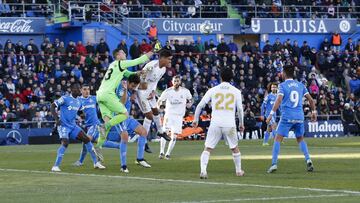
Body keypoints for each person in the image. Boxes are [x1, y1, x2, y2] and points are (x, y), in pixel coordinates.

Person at [193, 68, 245, 179]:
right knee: (234, 147)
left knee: (208, 148)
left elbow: (200, 105)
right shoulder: (236, 91)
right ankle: (238, 171)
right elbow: (240, 109)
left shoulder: (213, 90)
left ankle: (203, 171)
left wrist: (195, 119)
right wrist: (241, 123)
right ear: (231, 78)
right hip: (229, 123)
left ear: (220, 77)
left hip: (215, 123)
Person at [96, 48, 153, 148]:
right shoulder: (120, 63)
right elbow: (138, 61)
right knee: (125, 114)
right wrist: (153, 51)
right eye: (123, 52)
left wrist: (140, 72)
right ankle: (104, 126)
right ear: (118, 56)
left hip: (100, 94)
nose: (125, 54)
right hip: (107, 94)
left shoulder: (113, 65)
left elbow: (129, 74)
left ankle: (98, 148)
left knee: (107, 120)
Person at [266, 65, 316, 173]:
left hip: (287, 117)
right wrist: (313, 112)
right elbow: (311, 100)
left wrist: (271, 114)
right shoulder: (301, 85)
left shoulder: (282, 85)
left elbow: (278, 100)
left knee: (277, 139)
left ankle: (274, 164)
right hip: (299, 116)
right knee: (300, 139)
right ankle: (308, 159)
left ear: (284, 73)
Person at [50, 83, 105, 172]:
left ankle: (96, 163)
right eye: (75, 89)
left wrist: (82, 116)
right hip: (63, 125)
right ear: (71, 90)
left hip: (73, 126)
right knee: (65, 142)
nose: (77, 90)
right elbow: (52, 106)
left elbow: (80, 111)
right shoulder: (64, 98)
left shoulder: (79, 101)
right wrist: (56, 119)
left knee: (86, 139)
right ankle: (55, 166)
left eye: (79, 89)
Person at [73, 84, 121, 166]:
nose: (87, 91)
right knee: (102, 142)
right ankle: (120, 146)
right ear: (81, 91)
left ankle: (85, 161)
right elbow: (74, 111)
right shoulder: (78, 100)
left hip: (95, 125)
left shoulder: (94, 98)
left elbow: (105, 101)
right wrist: (78, 117)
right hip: (88, 126)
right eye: (84, 89)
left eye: (88, 89)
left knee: (86, 140)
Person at [135, 49, 173, 148]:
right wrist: (136, 91)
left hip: (150, 92)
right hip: (141, 92)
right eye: (169, 59)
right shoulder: (151, 66)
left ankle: (160, 132)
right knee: (149, 116)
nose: (170, 61)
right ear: (162, 58)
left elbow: (154, 82)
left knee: (156, 112)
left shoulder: (163, 69)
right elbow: (140, 77)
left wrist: (153, 92)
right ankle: (143, 140)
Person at [115, 75, 151, 173]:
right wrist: (126, 90)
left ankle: (140, 159)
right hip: (119, 116)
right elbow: (121, 103)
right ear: (128, 83)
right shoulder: (121, 87)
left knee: (143, 132)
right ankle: (123, 166)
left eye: (135, 86)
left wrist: (143, 77)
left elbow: (145, 86)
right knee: (125, 137)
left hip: (127, 117)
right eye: (132, 86)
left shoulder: (132, 87)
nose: (133, 87)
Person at [157, 75, 193, 160]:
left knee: (175, 135)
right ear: (172, 82)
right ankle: (161, 152)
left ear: (180, 82)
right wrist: (160, 107)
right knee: (164, 133)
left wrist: (190, 104)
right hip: (169, 115)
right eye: (175, 81)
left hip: (179, 116)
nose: (176, 83)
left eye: (178, 81)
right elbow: (160, 100)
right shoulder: (168, 91)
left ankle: (168, 154)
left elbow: (191, 99)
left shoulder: (185, 91)